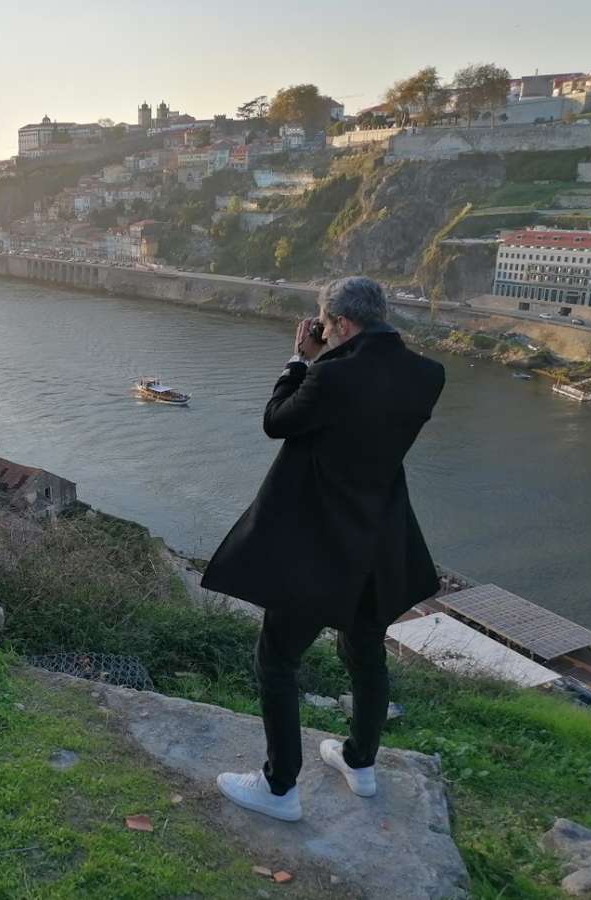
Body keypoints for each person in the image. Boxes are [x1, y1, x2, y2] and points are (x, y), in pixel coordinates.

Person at [200, 276, 445, 822]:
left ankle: (279, 788)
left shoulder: (331, 374)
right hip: (380, 539)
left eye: (326, 323)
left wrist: (299, 361)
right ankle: (360, 763)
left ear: (341, 323)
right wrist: (327, 356)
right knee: (364, 652)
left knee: (278, 661)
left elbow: (277, 422)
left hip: (318, 543)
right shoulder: (429, 375)